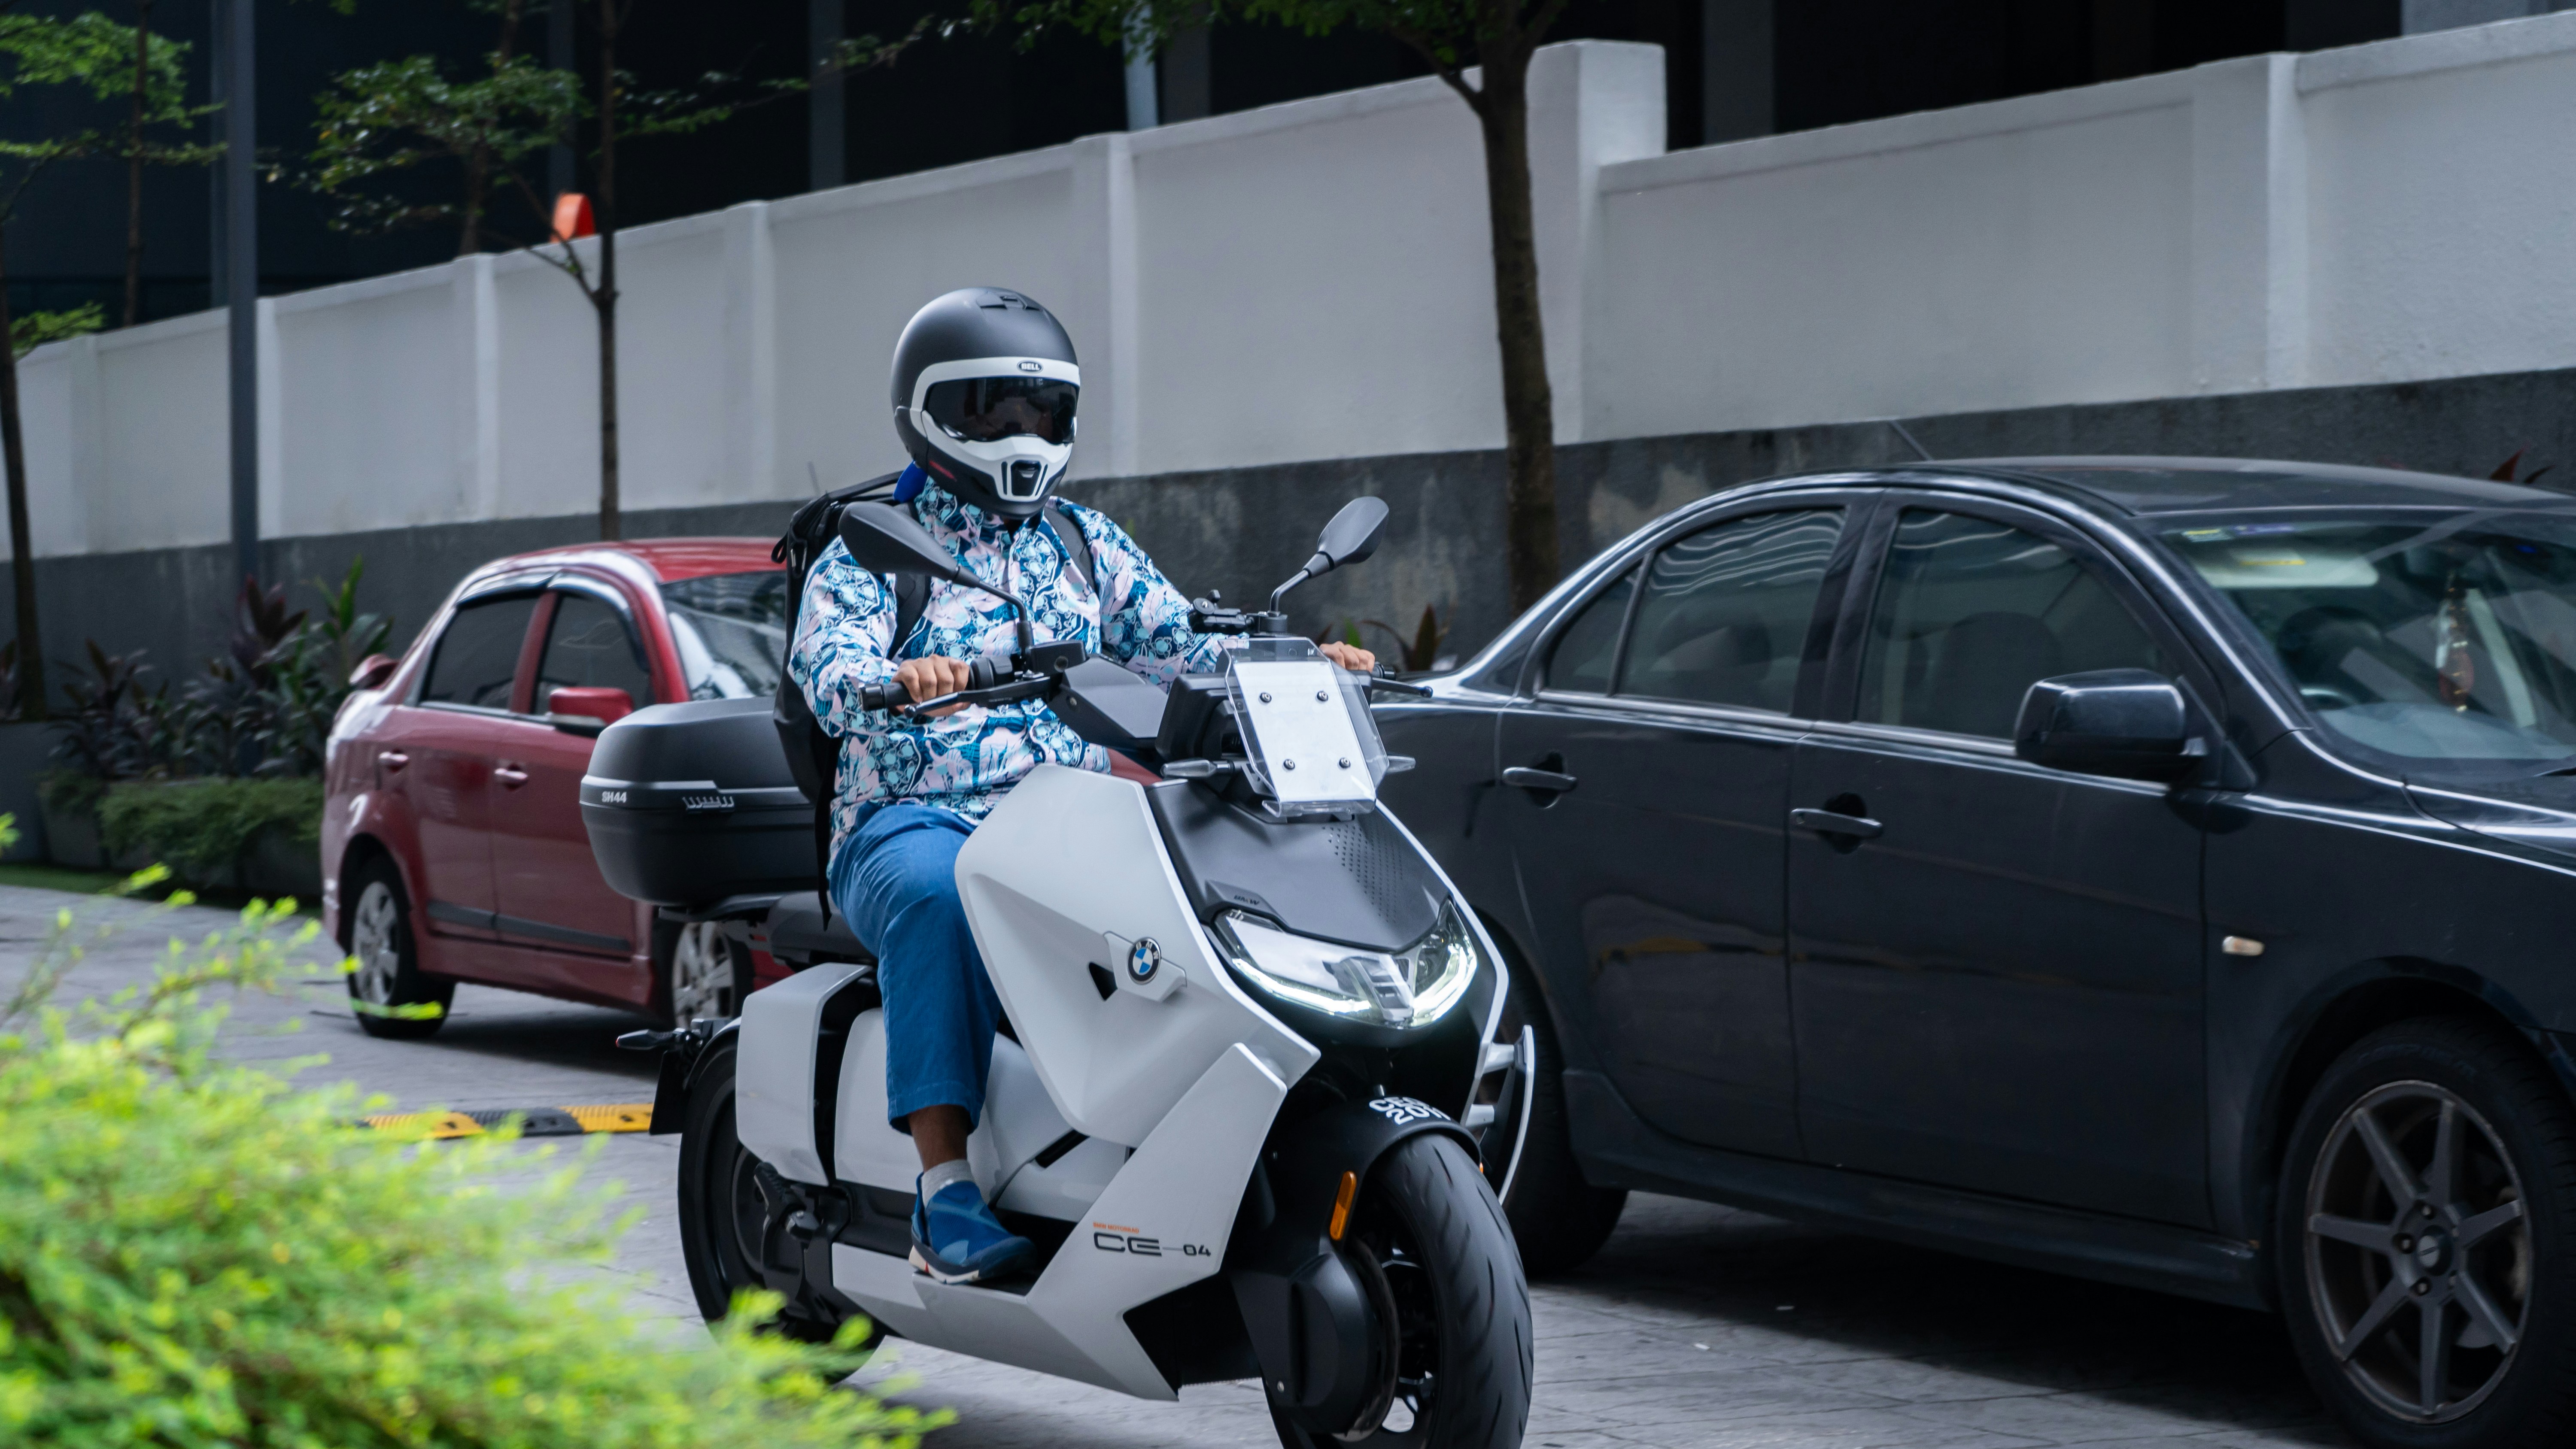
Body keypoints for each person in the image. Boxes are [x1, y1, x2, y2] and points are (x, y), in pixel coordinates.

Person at [788, 287, 1376, 1285]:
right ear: (930, 413)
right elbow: (829, 669)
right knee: (941, 893)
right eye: (989, 412)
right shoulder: (872, 543)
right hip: (910, 815)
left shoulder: (1082, 542)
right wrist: (898, 677)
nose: (1018, 435)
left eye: (1037, 414)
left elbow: (1183, 635)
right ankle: (946, 1191)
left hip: (1064, 812)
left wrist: (1300, 657)